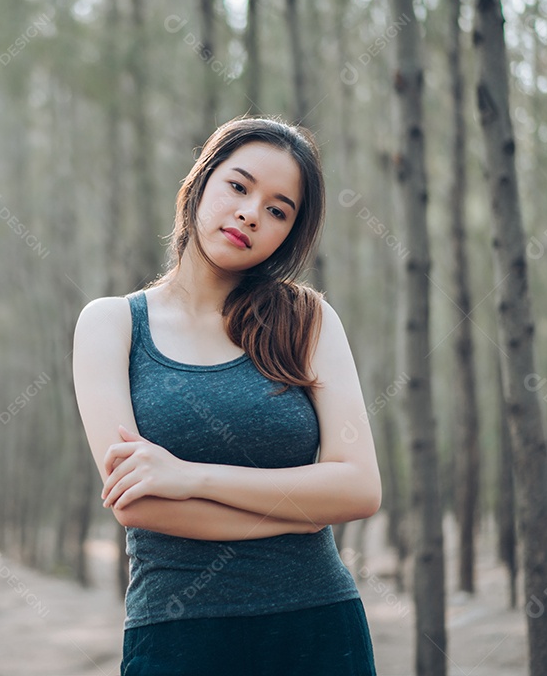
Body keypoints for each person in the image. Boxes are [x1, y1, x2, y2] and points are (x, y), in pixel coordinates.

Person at [71, 116, 381, 675]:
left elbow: (358, 488)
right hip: (178, 637)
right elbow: (138, 502)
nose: (250, 214)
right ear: (199, 181)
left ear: (289, 233)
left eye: (278, 210)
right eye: (238, 186)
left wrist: (191, 477)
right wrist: (300, 514)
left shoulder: (306, 321)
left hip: (317, 628)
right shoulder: (112, 325)